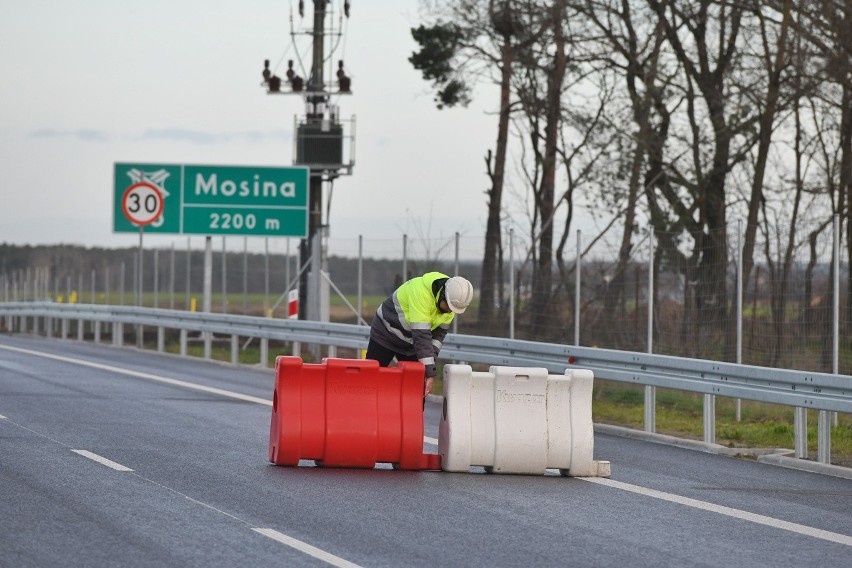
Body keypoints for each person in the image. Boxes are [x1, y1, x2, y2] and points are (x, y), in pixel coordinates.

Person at [366, 272, 474, 396]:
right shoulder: (421, 293)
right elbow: (421, 336)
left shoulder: (452, 302)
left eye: (453, 309)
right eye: (448, 307)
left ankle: (412, 414)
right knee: (371, 378)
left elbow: (438, 336)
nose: (449, 311)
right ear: (443, 294)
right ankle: (363, 409)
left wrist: (429, 365)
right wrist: (429, 373)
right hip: (385, 334)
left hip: (411, 342)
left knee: (416, 390)